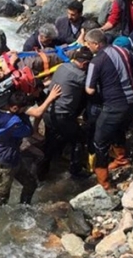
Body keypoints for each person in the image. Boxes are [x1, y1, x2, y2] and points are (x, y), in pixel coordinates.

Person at [83, 29, 133, 190]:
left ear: (96, 44)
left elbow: (89, 89)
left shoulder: (96, 62)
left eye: (88, 44)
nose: (87, 47)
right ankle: (122, 159)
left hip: (114, 105)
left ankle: (104, 183)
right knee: (118, 129)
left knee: (100, 141)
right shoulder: (123, 51)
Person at [0, 86, 62, 205]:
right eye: (23, 109)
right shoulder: (14, 123)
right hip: (5, 164)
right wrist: (49, 98)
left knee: (31, 184)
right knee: (1, 198)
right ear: (14, 108)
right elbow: (28, 131)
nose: (25, 110)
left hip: (13, 158)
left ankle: (24, 208)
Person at [39, 47, 93, 179]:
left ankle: (42, 172)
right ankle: (76, 170)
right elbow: (91, 89)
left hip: (48, 112)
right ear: (85, 64)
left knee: (50, 140)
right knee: (79, 139)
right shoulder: (81, 76)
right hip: (62, 116)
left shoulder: (61, 67)